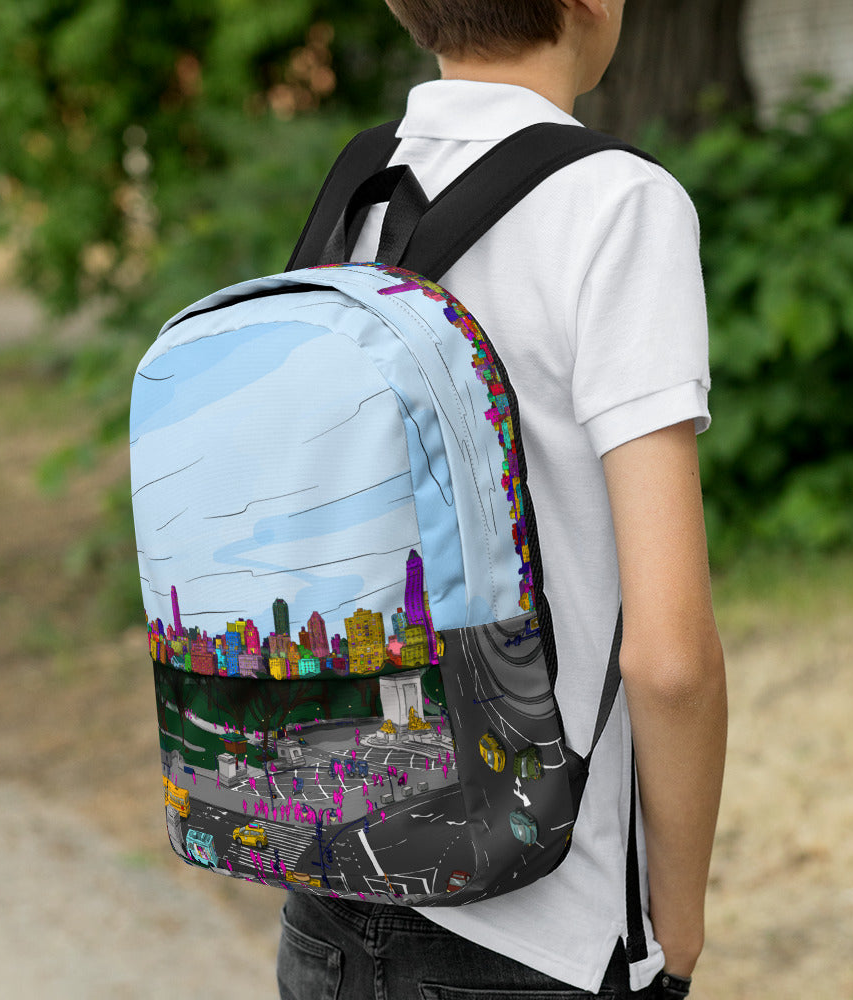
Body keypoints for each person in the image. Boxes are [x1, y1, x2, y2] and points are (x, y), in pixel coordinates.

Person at [276, 1, 727, 997]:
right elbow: (669, 658)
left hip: (328, 892)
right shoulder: (618, 203)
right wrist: (677, 927)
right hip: (537, 923)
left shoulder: (357, 191)